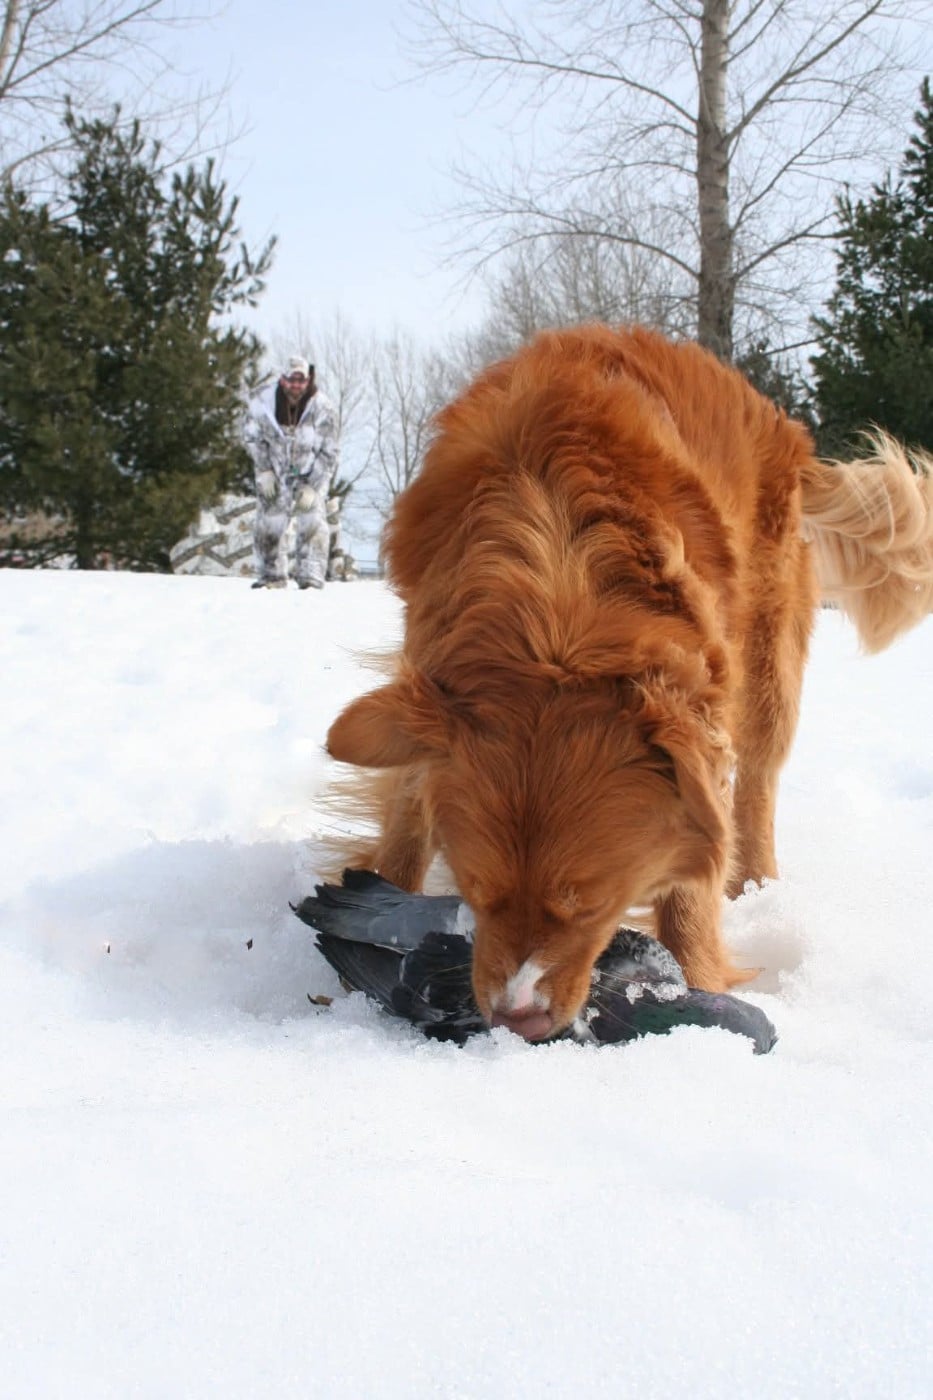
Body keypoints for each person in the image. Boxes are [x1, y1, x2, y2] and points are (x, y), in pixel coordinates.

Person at [244, 354, 340, 589]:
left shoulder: (322, 408)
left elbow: (330, 452)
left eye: (301, 381)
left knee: (313, 520)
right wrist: (264, 469)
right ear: (283, 379)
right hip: (275, 472)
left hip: (310, 474)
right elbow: (252, 438)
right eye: (291, 380)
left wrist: (312, 486)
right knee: (269, 521)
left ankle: (311, 576)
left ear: (308, 381)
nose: (296, 386)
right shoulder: (261, 402)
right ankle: (271, 576)